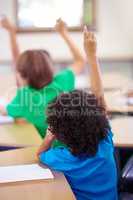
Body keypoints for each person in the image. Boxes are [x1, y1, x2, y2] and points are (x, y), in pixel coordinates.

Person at [38, 28, 118, 200]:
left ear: (59, 132)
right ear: (97, 121)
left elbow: (40, 156)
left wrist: (48, 139)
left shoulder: (60, 158)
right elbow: (99, 99)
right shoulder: (105, 142)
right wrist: (92, 55)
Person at [0, 19, 85, 147]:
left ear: (22, 75)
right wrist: (64, 33)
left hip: (46, 154)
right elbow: (80, 60)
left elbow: (5, 111)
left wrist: (12, 33)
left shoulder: (23, 96)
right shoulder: (61, 82)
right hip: (71, 149)